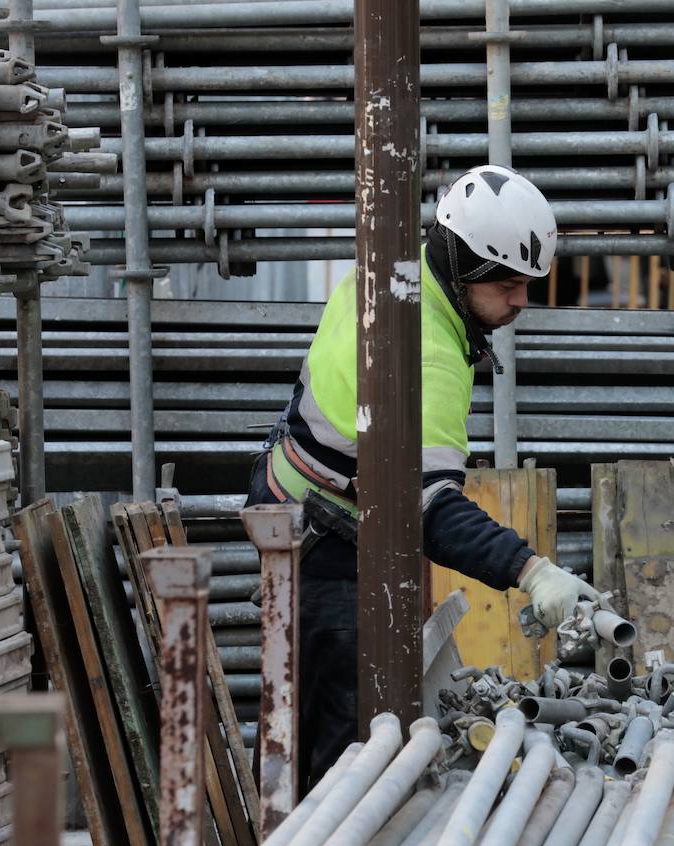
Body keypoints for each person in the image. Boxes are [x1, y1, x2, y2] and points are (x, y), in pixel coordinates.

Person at [246, 164, 598, 791]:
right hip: (324, 542)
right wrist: (532, 571)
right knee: (344, 748)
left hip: (293, 512)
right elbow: (430, 509)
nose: (521, 300)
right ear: (463, 265)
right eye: (509, 284)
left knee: (296, 728)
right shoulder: (425, 351)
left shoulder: (393, 272)